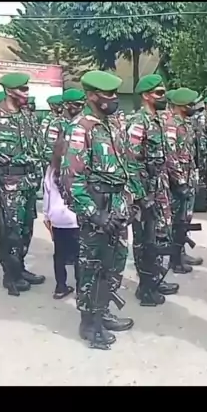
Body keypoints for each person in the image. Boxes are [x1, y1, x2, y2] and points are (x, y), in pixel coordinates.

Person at [59, 70, 135, 349]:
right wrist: (94, 213)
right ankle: (89, 323)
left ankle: (102, 311)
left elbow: (124, 168)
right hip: (97, 209)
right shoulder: (80, 128)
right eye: (108, 94)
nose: (114, 98)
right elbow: (71, 179)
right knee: (92, 266)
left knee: (114, 263)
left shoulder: (110, 125)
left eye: (115, 93)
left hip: (116, 208)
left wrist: (129, 200)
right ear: (91, 96)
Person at [126, 73, 179, 305]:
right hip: (145, 190)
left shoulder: (157, 120)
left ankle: (155, 278)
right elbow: (130, 160)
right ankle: (145, 287)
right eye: (158, 93)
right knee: (145, 238)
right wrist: (140, 195)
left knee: (159, 235)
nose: (163, 97)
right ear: (146, 96)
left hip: (159, 186)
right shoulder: (139, 122)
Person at [0, 73, 45, 295]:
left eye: (26, 88)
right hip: (8, 184)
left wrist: (39, 174)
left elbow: (38, 147)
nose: (26, 93)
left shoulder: (27, 116)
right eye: (22, 89)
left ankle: (20, 268)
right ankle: (10, 275)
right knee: (10, 232)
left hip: (29, 183)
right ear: (9, 91)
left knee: (26, 230)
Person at [163, 87, 202, 273]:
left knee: (184, 220)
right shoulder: (172, 125)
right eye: (190, 104)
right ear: (181, 105)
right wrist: (180, 181)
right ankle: (175, 260)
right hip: (177, 183)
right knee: (176, 221)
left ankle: (181, 253)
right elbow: (170, 156)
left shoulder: (185, 124)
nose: (193, 107)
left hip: (187, 178)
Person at [43, 154, 79, 300]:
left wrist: (46, 216)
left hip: (57, 217)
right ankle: (82, 289)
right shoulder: (79, 166)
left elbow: (47, 193)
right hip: (76, 216)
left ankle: (60, 287)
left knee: (59, 254)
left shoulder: (51, 169)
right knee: (79, 255)